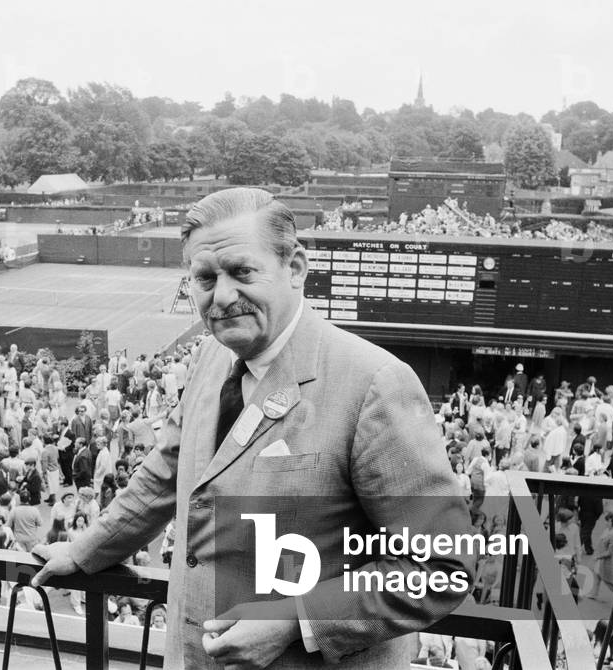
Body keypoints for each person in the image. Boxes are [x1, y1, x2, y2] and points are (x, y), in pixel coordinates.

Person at [33, 187, 472, 668]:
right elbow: (165, 474)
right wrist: (85, 550)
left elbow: (442, 567)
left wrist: (296, 622)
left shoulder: (374, 384)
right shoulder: (210, 356)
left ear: (296, 268)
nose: (221, 297)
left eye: (242, 271)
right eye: (204, 278)